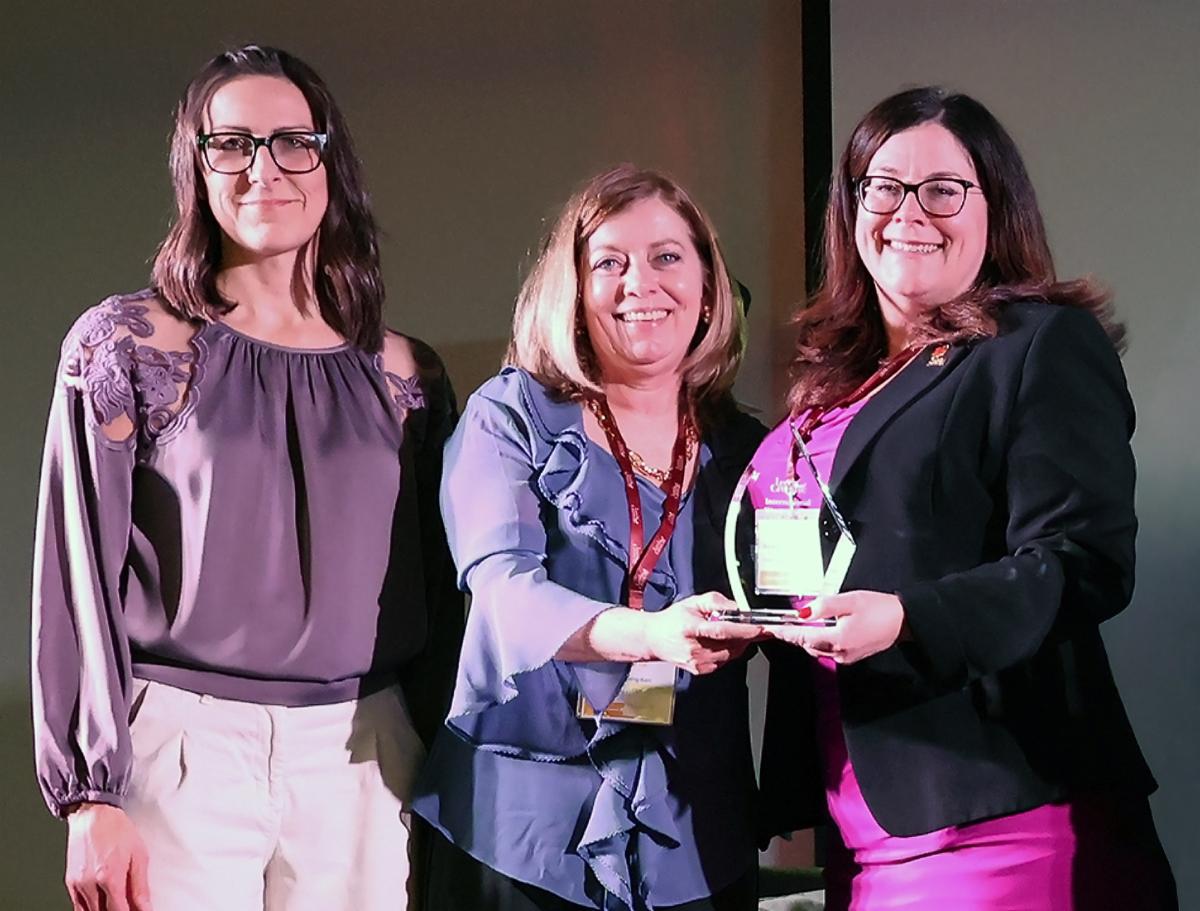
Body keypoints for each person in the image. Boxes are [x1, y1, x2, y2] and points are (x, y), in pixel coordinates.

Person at [31, 44, 462, 911]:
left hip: (364, 751)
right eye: (231, 144)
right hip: (181, 748)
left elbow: (444, 600)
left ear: (330, 161)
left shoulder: (407, 374)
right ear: (196, 167)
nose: (264, 168)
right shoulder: (126, 346)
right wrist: (89, 794)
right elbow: (78, 582)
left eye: (293, 141)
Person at [753, 86, 1178, 909]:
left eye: (943, 189)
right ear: (851, 208)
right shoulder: (826, 389)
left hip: (1003, 823)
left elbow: (1082, 561)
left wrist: (909, 619)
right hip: (858, 827)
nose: (909, 212)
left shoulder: (1037, 344)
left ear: (996, 207)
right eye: (883, 186)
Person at [412, 165, 766, 911]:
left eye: (667, 256)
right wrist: (653, 634)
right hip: (522, 836)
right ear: (572, 291)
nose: (641, 282)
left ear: (708, 286)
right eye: (610, 262)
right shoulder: (509, 415)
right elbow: (503, 594)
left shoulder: (750, 450)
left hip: (695, 835)